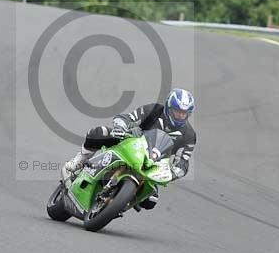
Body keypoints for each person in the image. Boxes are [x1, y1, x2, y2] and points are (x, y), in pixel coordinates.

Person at [63, 88, 197, 211]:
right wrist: (121, 128)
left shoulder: (189, 136)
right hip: (131, 143)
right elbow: (128, 117)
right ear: (168, 107)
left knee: (151, 200)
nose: (180, 115)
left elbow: (183, 161)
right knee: (98, 132)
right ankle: (79, 161)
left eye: (184, 113)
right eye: (177, 111)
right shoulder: (155, 110)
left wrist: (173, 173)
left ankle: (120, 203)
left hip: (152, 165)